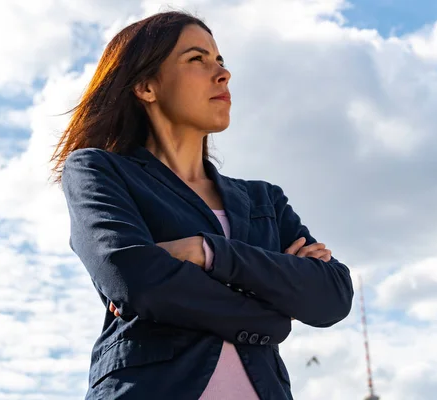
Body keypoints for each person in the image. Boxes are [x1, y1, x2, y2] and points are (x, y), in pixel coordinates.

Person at [50, 10, 354, 400]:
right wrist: (272, 313)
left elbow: (330, 295)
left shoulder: (264, 199)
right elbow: (134, 278)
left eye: (220, 61)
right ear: (146, 86)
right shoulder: (98, 170)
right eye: (198, 59)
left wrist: (208, 252)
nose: (222, 73)